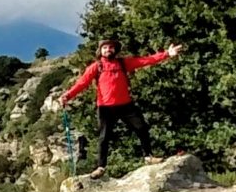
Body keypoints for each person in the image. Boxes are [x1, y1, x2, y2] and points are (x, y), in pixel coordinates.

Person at [59, 37, 183, 171]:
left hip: (125, 105)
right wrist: (68, 95)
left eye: (110, 47)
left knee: (141, 127)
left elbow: (144, 61)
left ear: (115, 50)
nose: (108, 50)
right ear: (100, 51)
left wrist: (167, 54)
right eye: (105, 47)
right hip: (105, 107)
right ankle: (101, 167)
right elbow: (82, 83)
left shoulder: (123, 63)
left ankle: (148, 156)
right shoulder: (96, 66)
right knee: (104, 137)